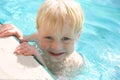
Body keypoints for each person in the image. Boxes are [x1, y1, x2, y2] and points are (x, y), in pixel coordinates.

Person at [0, 0, 84, 79]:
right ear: (38, 30)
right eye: (49, 37)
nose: (56, 47)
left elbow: (51, 77)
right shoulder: (39, 36)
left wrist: (38, 56)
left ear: (78, 36)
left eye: (66, 39)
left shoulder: (74, 64)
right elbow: (23, 38)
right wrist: (19, 34)